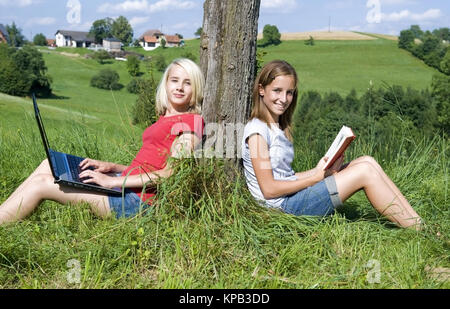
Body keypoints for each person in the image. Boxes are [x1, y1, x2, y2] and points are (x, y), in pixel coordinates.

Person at [0, 58, 205, 224]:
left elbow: (169, 174)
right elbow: (148, 167)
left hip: (138, 204)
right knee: (49, 163)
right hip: (125, 188)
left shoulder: (191, 123)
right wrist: (112, 167)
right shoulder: (165, 119)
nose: (180, 87)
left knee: (41, 185)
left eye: (188, 83)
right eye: (175, 80)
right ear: (166, 84)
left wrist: (113, 180)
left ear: (195, 89)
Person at [241, 60, 422, 229]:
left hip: (290, 199)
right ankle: (418, 230)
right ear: (262, 89)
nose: (284, 98)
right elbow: (269, 189)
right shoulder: (257, 132)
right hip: (282, 210)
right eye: (277, 90)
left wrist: (318, 170)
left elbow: (283, 177)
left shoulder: (274, 127)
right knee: (364, 172)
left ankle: (417, 222)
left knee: (367, 161)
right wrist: (315, 179)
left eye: (289, 92)